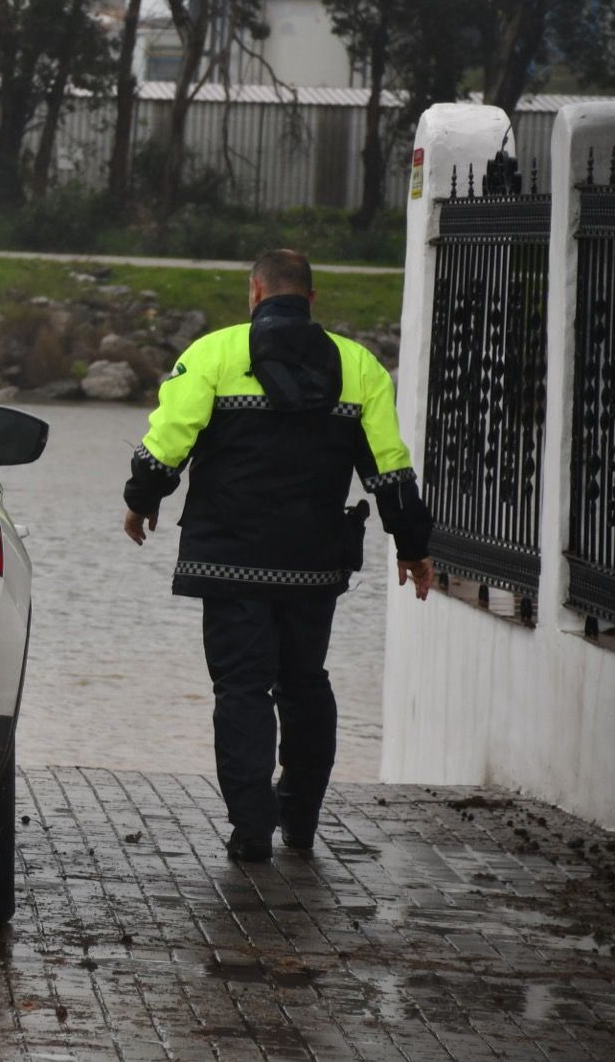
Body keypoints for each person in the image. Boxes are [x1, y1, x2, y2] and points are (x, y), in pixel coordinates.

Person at [121, 248, 433, 862]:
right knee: (305, 683)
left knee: (241, 689)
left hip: (228, 559)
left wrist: (142, 499)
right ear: (311, 299)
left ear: (255, 293)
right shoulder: (359, 365)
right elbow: (388, 468)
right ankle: (301, 819)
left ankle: (250, 831)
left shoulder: (213, 354)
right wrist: (412, 545)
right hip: (315, 562)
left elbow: (167, 443)